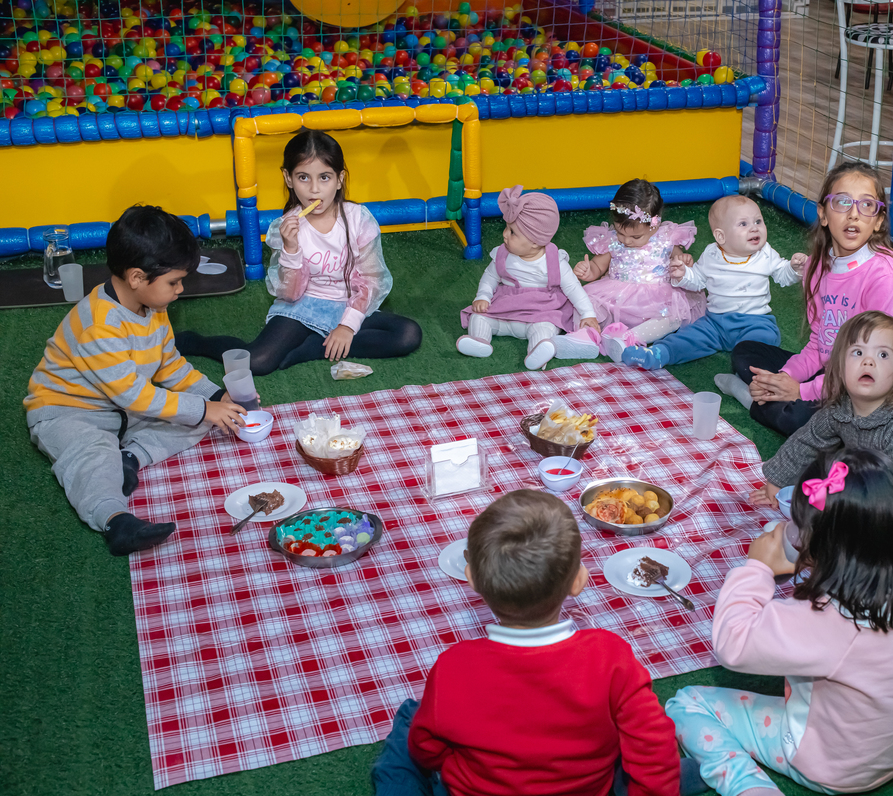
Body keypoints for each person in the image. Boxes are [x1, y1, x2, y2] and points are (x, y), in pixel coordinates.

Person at [666, 449, 893, 796]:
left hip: (832, 766)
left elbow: (733, 644)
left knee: (687, 704)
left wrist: (757, 569)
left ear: (825, 547)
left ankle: (747, 786)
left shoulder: (830, 618)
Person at [371, 490, 684, 796]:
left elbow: (426, 751)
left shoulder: (453, 667)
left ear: (472, 578)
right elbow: (655, 746)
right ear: (579, 581)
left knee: (410, 717)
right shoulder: (611, 658)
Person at [24, 206, 249, 556]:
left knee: (202, 420)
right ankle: (115, 520)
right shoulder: (100, 324)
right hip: (68, 411)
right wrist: (205, 408)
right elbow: (134, 396)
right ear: (137, 278)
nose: (180, 289)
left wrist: (215, 396)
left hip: (123, 410)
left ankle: (131, 457)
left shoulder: (154, 308)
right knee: (93, 457)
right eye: (174, 282)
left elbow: (169, 365)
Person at [177, 130, 422, 375]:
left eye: (324, 177)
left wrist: (348, 326)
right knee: (257, 362)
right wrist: (291, 249)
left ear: (339, 179)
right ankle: (196, 341)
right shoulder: (283, 229)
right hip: (303, 306)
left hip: (348, 304)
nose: (314, 190)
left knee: (408, 334)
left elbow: (372, 281)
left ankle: (314, 348)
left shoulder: (359, 220)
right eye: (303, 177)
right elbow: (289, 293)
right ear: (288, 178)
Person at [718, 163, 893, 438]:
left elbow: (878, 371)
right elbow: (819, 343)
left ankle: (751, 398)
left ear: (877, 221)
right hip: (835, 376)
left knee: (801, 418)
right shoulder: (817, 266)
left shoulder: (887, 279)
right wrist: (785, 377)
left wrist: (801, 391)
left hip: (875, 393)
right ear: (823, 214)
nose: (854, 214)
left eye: (866, 205)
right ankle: (774, 396)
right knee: (745, 352)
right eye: (842, 202)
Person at [749, 311, 893, 553]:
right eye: (857, 353)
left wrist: (839, 519)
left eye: (883, 355)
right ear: (839, 368)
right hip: (876, 479)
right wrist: (776, 481)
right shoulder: (840, 407)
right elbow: (808, 440)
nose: (868, 362)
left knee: (863, 544)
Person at [619, 195, 807, 370]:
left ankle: (750, 373)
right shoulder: (711, 254)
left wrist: (793, 268)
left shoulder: (765, 253)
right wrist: (683, 275)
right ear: (721, 236)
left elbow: (783, 275)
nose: (754, 228)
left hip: (755, 322)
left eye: (758, 221)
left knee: (763, 340)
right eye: (743, 224)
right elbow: (698, 280)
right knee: (688, 338)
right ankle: (658, 354)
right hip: (715, 323)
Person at [457, 185, 602, 371]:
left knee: (546, 328)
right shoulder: (502, 254)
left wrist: (588, 314)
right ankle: (479, 341)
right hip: (506, 310)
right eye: (506, 228)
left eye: (512, 232)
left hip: (542, 312)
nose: (504, 235)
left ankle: (538, 350)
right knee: (478, 317)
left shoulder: (555, 262)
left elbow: (574, 289)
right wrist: (483, 296)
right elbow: (489, 277)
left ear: (535, 242)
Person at [573, 179, 706, 361]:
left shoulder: (666, 238)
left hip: (656, 303)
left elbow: (679, 261)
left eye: (636, 236)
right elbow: (598, 266)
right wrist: (589, 271)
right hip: (616, 300)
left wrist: (683, 262)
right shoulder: (612, 240)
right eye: (620, 233)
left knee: (674, 316)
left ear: (655, 224)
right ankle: (587, 337)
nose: (626, 240)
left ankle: (628, 339)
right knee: (585, 303)